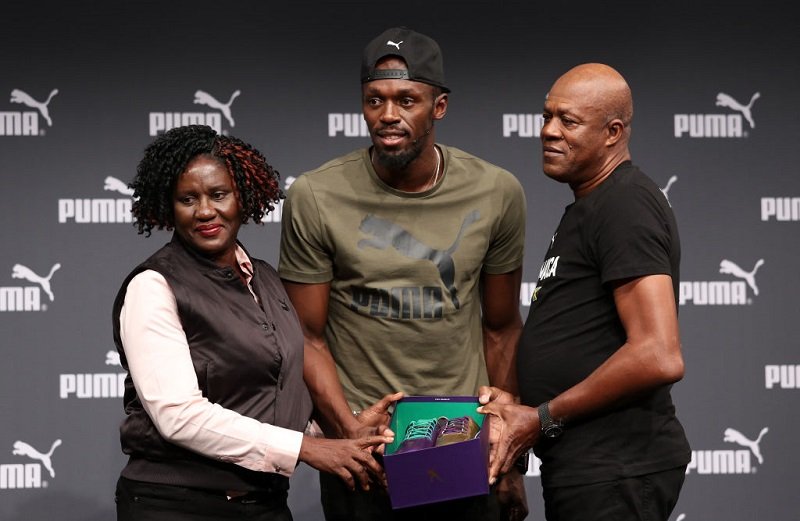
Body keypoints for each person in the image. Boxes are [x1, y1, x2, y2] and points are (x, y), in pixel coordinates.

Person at [278, 27, 528, 521]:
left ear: (439, 107)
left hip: (464, 441)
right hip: (368, 449)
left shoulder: (497, 192)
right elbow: (308, 337)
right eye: (375, 100)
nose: (388, 116)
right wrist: (348, 431)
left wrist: (511, 459)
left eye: (406, 100)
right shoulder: (316, 195)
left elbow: (501, 327)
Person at [112, 124, 394, 521]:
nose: (205, 210)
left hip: (264, 504)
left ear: (244, 197)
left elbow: (267, 396)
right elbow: (178, 415)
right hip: (176, 505)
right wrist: (305, 448)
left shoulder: (267, 279)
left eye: (218, 194)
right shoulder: (153, 285)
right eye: (187, 199)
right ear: (168, 208)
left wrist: (338, 431)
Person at [478, 63, 691, 521]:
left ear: (613, 132)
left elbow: (659, 353)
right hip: (589, 466)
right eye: (546, 116)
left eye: (568, 121)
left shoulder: (624, 203)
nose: (548, 131)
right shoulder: (590, 205)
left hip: (616, 467)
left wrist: (540, 418)